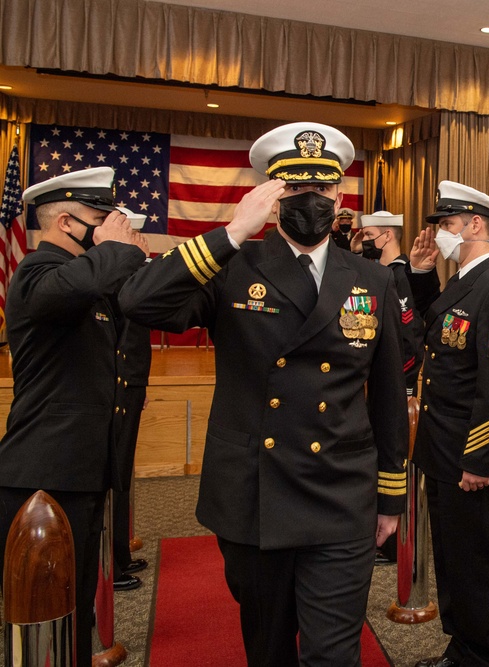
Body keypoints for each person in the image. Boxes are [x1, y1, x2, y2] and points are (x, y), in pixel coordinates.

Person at [118, 122, 408, 666]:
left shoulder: (372, 279)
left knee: (333, 654)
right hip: (257, 495)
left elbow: (389, 393)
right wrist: (229, 234)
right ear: (272, 198)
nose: (310, 202)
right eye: (295, 190)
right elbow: (138, 302)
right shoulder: (233, 267)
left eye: (321, 191)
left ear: (339, 195)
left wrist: (391, 496)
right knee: (269, 647)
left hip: (340, 494)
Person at [0, 167, 149, 665]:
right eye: (100, 218)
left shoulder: (88, 282)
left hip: (81, 474)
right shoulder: (37, 275)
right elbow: (88, 279)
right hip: (42, 477)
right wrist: (118, 247)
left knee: (75, 611)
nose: (114, 226)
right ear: (65, 222)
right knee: (42, 619)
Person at [407, 180, 489, 667]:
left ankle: (483, 656)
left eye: (449, 226)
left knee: (475, 565)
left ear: (476, 225)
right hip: (442, 449)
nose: (442, 236)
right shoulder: (463, 283)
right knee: (453, 560)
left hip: (470, 458)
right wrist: (419, 274)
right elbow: (434, 332)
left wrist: (478, 459)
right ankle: (462, 651)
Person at [358, 209, 425, 566]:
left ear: (387, 235)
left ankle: (393, 542)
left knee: (395, 456)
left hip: (398, 384)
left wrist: (398, 383)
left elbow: (408, 337)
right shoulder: (380, 273)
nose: (365, 243)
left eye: (369, 237)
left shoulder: (398, 274)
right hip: (378, 384)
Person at [112, 206, 153, 592]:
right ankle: (112, 561)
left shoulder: (133, 275)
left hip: (130, 385)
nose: (142, 243)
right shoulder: (116, 278)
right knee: (113, 477)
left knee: (121, 476)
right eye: (136, 236)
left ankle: (118, 554)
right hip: (119, 388)